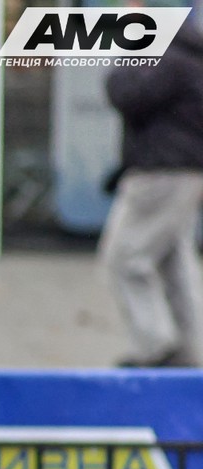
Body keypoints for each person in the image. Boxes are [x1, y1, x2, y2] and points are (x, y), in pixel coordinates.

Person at [98, 11, 203, 368]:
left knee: (124, 258)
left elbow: (124, 92)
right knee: (174, 263)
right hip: (183, 173)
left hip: (161, 174)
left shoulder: (168, 61)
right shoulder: (190, 58)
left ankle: (156, 347)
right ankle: (188, 353)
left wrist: (125, 52)